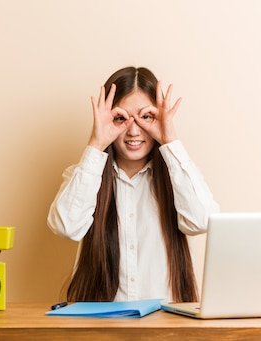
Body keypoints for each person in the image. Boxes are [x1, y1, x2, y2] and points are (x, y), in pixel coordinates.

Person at [47, 66, 219, 303]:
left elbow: (201, 221)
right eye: (121, 118)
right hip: (99, 327)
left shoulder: (178, 177)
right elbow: (67, 227)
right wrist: (96, 144)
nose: (134, 130)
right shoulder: (85, 175)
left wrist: (170, 140)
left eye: (146, 117)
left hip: (166, 326)